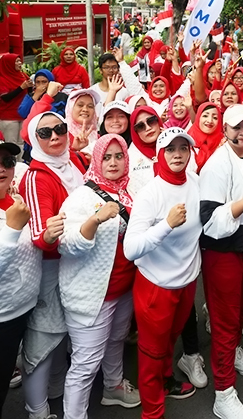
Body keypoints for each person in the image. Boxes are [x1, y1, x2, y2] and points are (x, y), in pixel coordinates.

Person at [58, 134, 141, 418]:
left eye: (119, 156)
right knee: (85, 363)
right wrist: (95, 220)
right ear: (97, 159)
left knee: (117, 340)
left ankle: (113, 386)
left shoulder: (132, 190)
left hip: (124, 287)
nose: (114, 162)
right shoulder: (81, 197)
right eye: (106, 157)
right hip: (92, 295)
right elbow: (65, 245)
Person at [124, 127, 202, 419]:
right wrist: (166, 225)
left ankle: (166, 380)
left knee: (171, 339)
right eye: (171, 149)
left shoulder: (195, 181)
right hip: (156, 287)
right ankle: (152, 411)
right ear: (160, 153)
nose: (178, 155)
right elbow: (131, 248)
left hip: (187, 282)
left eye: (184, 148)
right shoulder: (150, 193)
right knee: (150, 352)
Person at [199, 104, 243, 419]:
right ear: (224, 130)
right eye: (236, 127)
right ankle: (224, 393)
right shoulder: (215, 165)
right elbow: (210, 223)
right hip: (223, 252)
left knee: (242, 309)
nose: (242, 133)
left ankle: (235, 351)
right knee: (225, 321)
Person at [20, 112, 86, 419]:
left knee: (64, 336)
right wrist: (48, 233)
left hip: (78, 263)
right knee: (44, 338)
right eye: (45, 133)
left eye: (60, 128)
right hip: (51, 268)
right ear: (35, 140)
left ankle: (56, 393)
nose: (55, 137)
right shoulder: (37, 176)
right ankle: (38, 411)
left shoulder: (75, 163)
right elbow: (38, 234)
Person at [0, 138, 41, 416]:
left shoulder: (15, 199)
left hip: (25, 307)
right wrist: (12, 231)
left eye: (7, 161)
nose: (2, 168)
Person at [0, 54, 31, 145]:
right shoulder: (2, 79)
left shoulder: (23, 75)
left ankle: (20, 160)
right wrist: (21, 88)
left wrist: (30, 86)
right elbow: (5, 98)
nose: (20, 63)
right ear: (8, 64)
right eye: (16, 61)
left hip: (22, 115)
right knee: (11, 144)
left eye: (20, 61)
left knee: (22, 143)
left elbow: (27, 93)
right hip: (8, 117)